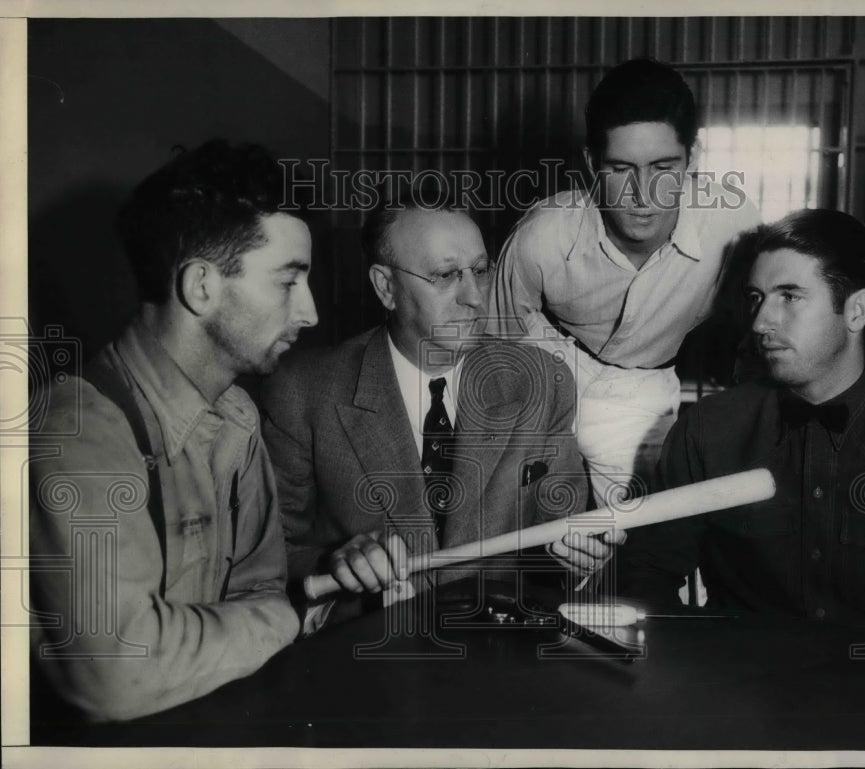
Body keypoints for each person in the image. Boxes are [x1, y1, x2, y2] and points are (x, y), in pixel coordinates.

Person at [29, 140, 318, 722]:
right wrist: (287, 616)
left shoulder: (237, 418)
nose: (310, 313)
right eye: (288, 283)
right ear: (201, 288)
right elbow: (117, 676)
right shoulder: (76, 434)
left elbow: (257, 590)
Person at [261, 194, 621, 610]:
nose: (474, 297)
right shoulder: (305, 393)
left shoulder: (541, 381)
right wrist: (335, 562)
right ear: (386, 287)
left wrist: (576, 560)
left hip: (498, 650)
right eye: (446, 275)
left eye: (481, 271)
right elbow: (270, 556)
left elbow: (559, 540)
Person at [618, 209, 865, 625]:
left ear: (857, 311)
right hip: (736, 685)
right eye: (757, 298)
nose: (762, 321)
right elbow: (643, 577)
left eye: (790, 296)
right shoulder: (708, 430)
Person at [488, 57, 761, 509]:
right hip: (543, 366)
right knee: (510, 533)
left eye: (663, 166)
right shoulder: (543, 235)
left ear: (693, 159)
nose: (643, 193)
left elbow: (765, 327)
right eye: (620, 168)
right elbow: (494, 341)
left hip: (641, 392)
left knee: (641, 548)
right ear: (591, 163)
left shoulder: (735, 227)